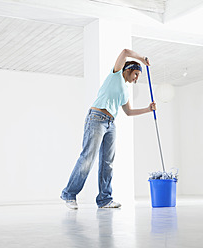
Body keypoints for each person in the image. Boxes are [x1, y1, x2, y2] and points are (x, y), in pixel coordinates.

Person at [61, 49, 156, 209]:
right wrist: (142, 58)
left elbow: (128, 112)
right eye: (136, 74)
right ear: (128, 69)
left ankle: (105, 199)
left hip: (111, 123)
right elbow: (125, 52)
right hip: (97, 118)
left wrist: (148, 109)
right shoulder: (116, 75)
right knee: (87, 159)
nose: (136, 78)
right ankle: (69, 194)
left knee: (108, 162)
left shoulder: (125, 91)